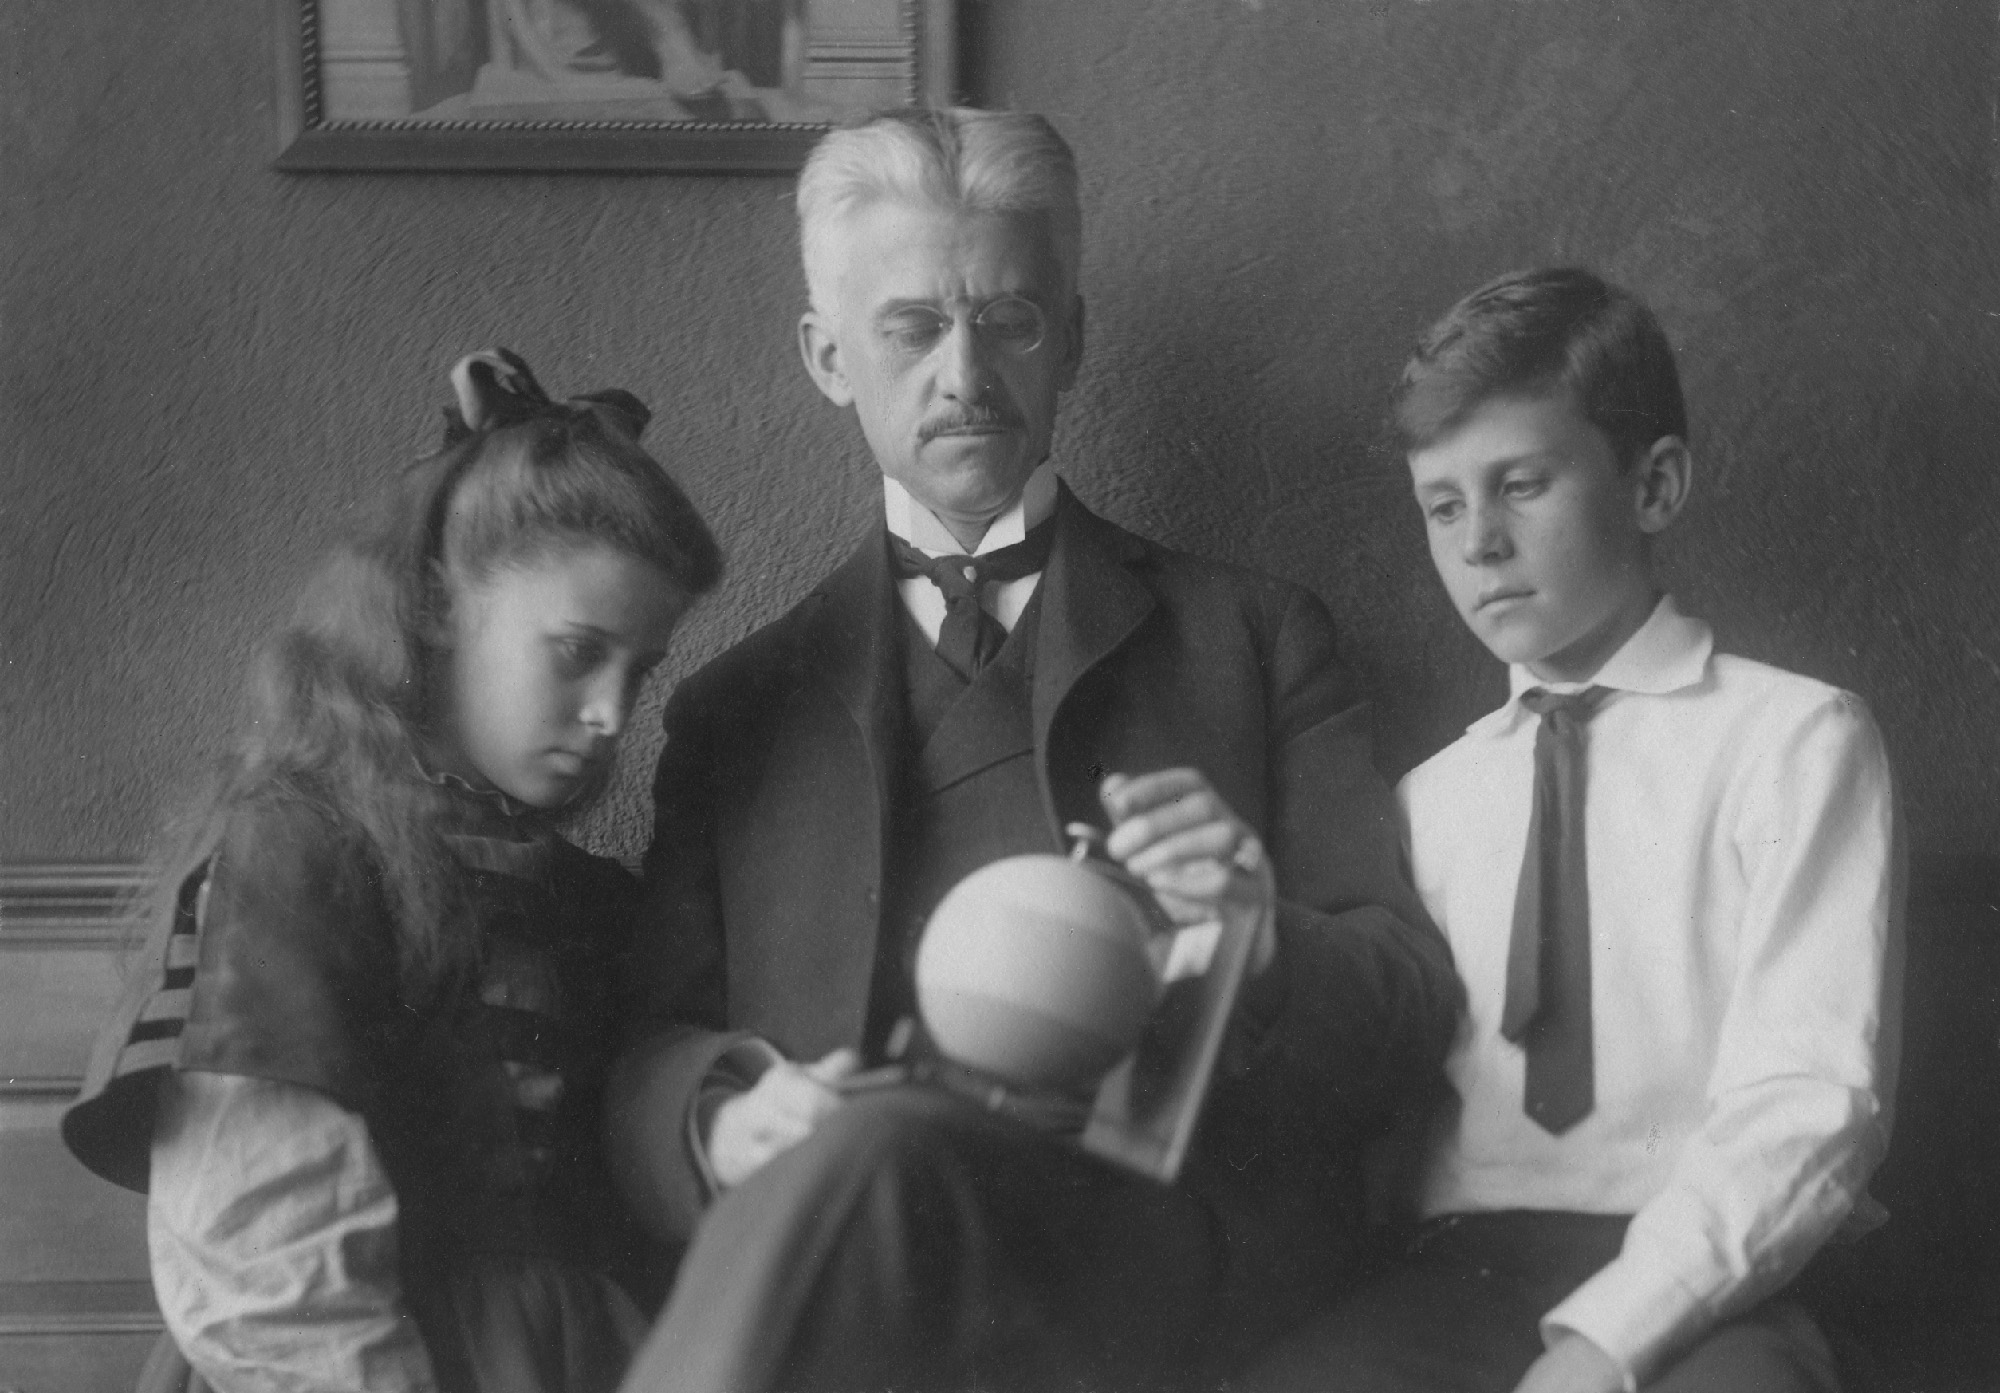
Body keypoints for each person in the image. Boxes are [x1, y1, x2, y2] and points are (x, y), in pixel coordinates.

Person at [606, 107, 1461, 1393]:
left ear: (1070, 338)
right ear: (826, 356)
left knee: (880, 1154)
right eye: (911, 326)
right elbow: (637, 1046)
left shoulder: (1252, 639)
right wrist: (718, 1117)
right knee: (872, 1155)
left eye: (1007, 321)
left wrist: (1257, 931)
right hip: (855, 1286)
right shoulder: (735, 709)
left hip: (1152, 1273)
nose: (963, 374)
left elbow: (1404, 1003)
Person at [1242, 268, 1902, 1393]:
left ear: (1651, 485)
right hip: (1460, 1279)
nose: (1479, 543)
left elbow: (1807, 1097)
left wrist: (1603, 1343)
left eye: (1520, 484)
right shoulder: (1425, 802)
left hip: (1713, 1277)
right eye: (1442, 506)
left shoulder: (1794, 741)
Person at [61, 350, 723, 1393]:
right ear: (436, 606)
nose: (609, 713)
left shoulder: (583, 894)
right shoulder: (300, 851)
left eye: (637, 671)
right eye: (574, 651)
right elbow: (261, 1245)